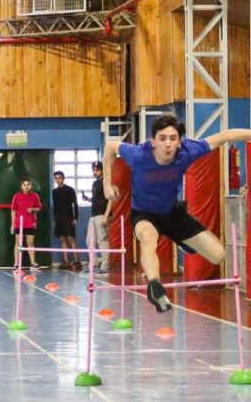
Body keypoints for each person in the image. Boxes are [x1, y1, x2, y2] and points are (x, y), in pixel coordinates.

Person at [104, 114, 251, 313]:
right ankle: (155, 287)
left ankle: (182, 242)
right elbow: (110, 147)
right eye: (162, 138)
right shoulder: (139, 155)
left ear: (179, 142)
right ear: (153, 141)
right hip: (144, 214)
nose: (168, 144)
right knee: (148, 238)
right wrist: (107, 183)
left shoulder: (187, 151)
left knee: (218, 255)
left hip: (172, 213)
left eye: (173, 139)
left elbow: (225, 135)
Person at [82, 161, 112, 274]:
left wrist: (106, 215)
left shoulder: (106, 182)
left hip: (102, 215)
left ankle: (105, 267)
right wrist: (88, 199)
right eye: (93, 170)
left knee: (102, 240)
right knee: (90, 241)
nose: (95, 172)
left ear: (102, 170)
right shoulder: (95, 183)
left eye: (97, 170)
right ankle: (92, 265)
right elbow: (98, 199)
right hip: (93, 214)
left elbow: (110, 199)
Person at [52, 171, 81, 270]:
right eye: (56, 178)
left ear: (63, 178)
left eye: (59, 177)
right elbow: (55, 206)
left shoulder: (70, 190)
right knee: (63, 239)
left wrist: (75, 217)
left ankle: (77, 261)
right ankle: (66, 261)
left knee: (71, 239)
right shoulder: (54, 191)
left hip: (69, 217)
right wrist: (55, 219)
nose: (58, 180)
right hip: (59, 218)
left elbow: (75, 204)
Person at [10, 177, 41, 270]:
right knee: (18, 243)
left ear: (30, 185)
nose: (26, 187)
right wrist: (12, 224)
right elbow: (13, 211)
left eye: (28, 185)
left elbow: (39, 208)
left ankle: (33, 262)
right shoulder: (16, 196)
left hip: (30, 223)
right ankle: (16, 263)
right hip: (19, 223)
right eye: (24, 185)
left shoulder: (35, 196)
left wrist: (33, 209)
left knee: (30, 243)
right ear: (21, 186)